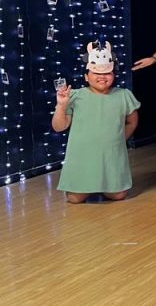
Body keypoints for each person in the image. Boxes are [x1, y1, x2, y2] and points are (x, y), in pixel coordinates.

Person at [52, 42, 140, 203]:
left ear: (114, 75)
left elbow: (132, 122)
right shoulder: (75, 96)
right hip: (82, 154)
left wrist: (119, 140)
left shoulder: (123, 95)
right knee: (75, 198)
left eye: (107, 73)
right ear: (86, 76)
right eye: (96, 73)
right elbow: (59, 127)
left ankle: (105, 184)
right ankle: (87, 184)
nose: (102, 77)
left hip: (111, 154)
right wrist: (61, 105)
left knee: (119, 195)